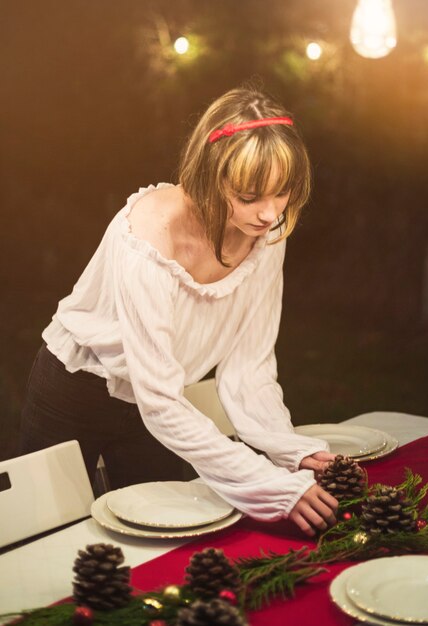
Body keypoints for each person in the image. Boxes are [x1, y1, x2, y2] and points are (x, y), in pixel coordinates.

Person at [19, 87, 338, 536]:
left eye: (281, 192)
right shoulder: (148, 240)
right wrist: (269, 484)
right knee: (46, 534)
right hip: (74, 389)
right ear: (208, 176)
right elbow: (161, 400)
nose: (269, 215)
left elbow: (249, 366)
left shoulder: (266, 236)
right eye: (248, 197)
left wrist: (289, 451)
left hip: (162, 399)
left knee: (164, 534)